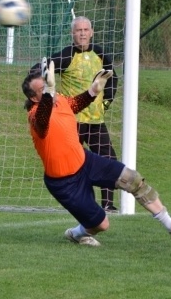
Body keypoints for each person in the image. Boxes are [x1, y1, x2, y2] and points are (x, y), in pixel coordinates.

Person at [22, 58, 171, 247]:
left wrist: (93, 91)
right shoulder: (35, 116)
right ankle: (76, 233)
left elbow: (74, 104)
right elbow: (43, 118)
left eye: (49, 85)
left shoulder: (60, 100)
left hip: (86, 161)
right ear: (34, 97)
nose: (50, 90)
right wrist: (49, 91)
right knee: (102, 224)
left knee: (133, 179)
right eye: (44, 89)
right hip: (64, 183)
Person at [49, 16, 119, 212]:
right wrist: (48, 91)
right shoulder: (67, 55)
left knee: (109, 160)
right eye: (78, 30)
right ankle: (80, 204)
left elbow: (113, 78)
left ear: (91, 32)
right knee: (73, 165)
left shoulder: (99, 54)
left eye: (85, 30)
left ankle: (108, 204)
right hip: (73, 122)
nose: (82, 33)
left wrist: (106, 102)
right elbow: (46, 66)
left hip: (96, 121)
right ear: (73, 34)